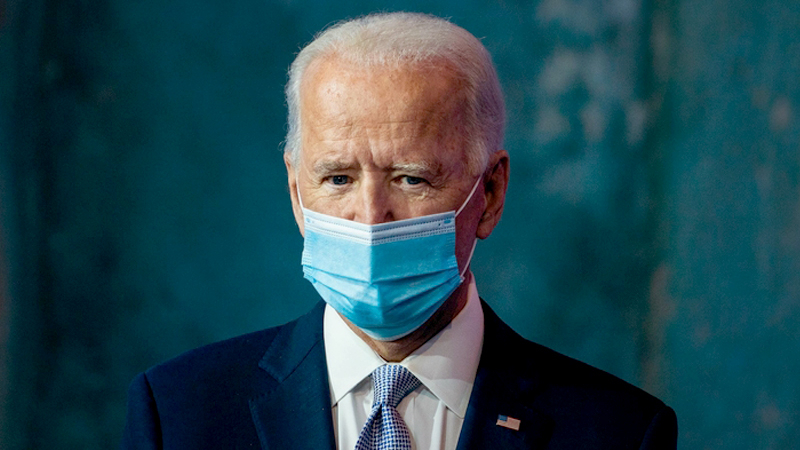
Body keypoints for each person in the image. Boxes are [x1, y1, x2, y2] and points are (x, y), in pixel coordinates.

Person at [121, 12, 677, 449]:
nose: (370, 215)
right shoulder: (179, 414)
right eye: (337, 177)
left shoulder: (619, 433)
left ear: (490, 194)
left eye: (411, 179)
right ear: (296, 193)